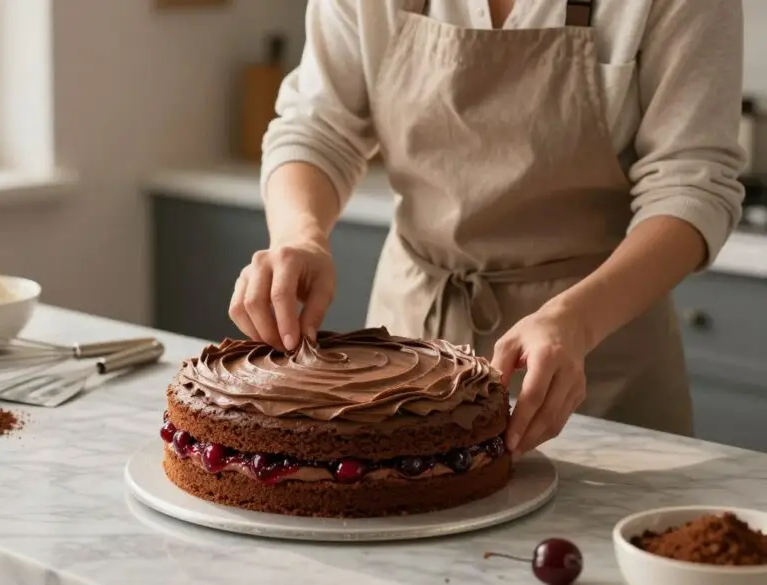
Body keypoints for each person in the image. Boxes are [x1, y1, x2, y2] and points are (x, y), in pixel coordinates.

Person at [228, 0, 746, 456]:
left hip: (597, 355)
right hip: (410, 347)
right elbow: (317, 127)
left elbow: (691, 186)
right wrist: (301, 235)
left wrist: (578, 321)